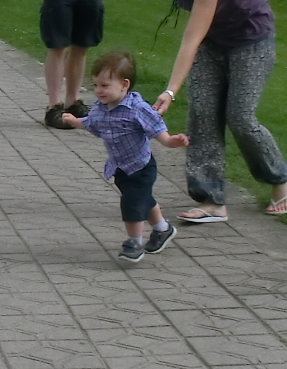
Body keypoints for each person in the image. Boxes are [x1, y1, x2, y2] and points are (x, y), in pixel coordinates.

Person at [147, 0, 287, 221]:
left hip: (251, 42)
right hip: (214, 42)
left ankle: (281, 178)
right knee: (202, 113)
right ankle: (212, 200)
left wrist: (171, 90)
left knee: (240, 117)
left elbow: (191, 37)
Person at [56, 50, 188, 263]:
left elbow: (156, 128)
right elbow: (91, 122)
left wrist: (171, 141)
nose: (98, 91)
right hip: (120, 168)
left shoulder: (137, 108)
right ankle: (163, 229)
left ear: (124, 85)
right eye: (96, 85)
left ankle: (134, 243)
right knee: (143, 199)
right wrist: (74, 121)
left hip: (141, 167)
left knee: (131, 204)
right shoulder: (100, 109)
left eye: (105, 85)